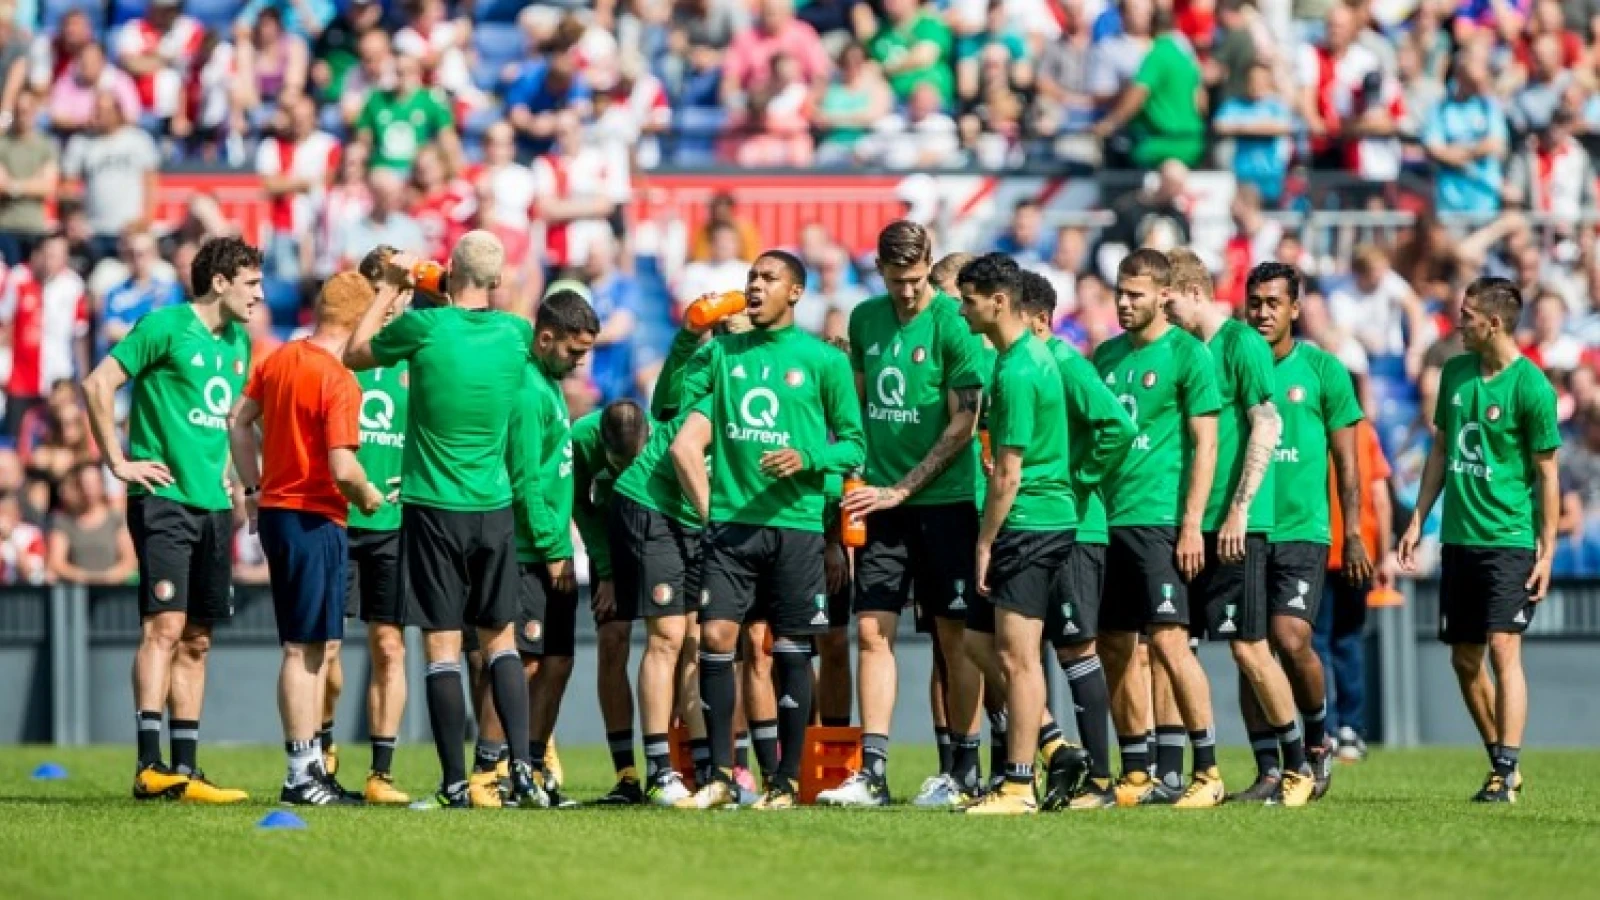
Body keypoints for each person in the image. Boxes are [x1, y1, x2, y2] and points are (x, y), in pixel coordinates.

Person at [342, 230, 545, 810]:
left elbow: (357, 352)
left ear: (450, 271)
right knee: (501, 643)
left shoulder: (424, 327)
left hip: (434, 507)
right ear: (498, 282)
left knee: (442, 649)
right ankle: (522, 772)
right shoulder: (516, 334)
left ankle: (455, 782)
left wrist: (391, 287)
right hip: (495, 508)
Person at [668, 250, 865, 810]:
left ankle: (785, 780)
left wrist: (806, 456)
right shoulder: (725, 351)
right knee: (715, 640)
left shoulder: (821, 361)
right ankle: (718, 775)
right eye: (750, 277)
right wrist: (686, 339)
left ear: (796, 292)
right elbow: (669, 408)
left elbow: (855, 446)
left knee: (792, 650)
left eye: (767, 278)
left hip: (796, 526)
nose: (753, 286)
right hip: (732, 526)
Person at [80, 236, 261, 804]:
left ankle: (185, 769)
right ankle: (148, 764)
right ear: (220, 282)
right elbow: (98, 383)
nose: (259, 293)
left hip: (213, 507)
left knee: (199, 639)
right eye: (250, 283)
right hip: (163, 500)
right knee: (163, 626)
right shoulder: (163, 325)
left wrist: (240, 481)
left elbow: (232, 422)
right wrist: (117, 461)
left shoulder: (239, 343)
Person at [814, 222, 985, 809]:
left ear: (929, 265)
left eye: (915, 280)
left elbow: (964, 423)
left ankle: (964, 770)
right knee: (870, 630)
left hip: (944, 503)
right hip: (880, 505)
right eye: (896, 279)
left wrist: (903, 489)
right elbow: (856, 414)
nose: (908, 291)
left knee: (955, 639)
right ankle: (874, 773)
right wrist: (854, 490)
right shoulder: (864, 320)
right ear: (880, 270)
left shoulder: (954, 324)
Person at [1399, 277, 1561, 804]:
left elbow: (1548, 474)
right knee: (1464, 661)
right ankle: (1500, 763)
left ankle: (1508, 767)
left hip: (1508, 541)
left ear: (1493, 323)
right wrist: (1419, 517)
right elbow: (1442, 450)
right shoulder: (1455, 372)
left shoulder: (1531, 387)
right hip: (1459, 539)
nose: (1456, 323)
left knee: (1502, 650)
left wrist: (1548, 550)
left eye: (1466, 316)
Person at [227, 271, 385, 806]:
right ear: (359, 318)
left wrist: (252, 488)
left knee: (315, 646)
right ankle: (300, 774)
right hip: (314, 516)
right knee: (304, 649)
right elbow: (343, 466)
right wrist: (368, 494)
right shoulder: (339, 379)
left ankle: (312, 767)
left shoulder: (281, 358)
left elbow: (237, 420)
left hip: (277, 512)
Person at [1160, 248, 1306, 807]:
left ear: (1192, 291)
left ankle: (1296, 767)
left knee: (1249, 649)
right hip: (1189, 525)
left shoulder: (1241, 343)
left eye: (1166, 297)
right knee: (1174, 643)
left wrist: (1240, 510)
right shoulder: (1184, 350)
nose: (1161, 309)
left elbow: (1266, 425)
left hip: (1237, 525)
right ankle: (1191, 773)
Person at [1090, 248, 1219, 808]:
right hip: (1106, 519)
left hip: (1160, 519)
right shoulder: (1104, 356)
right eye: (1119, 292)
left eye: (1135, 294)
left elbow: (1206, 444)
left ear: (1163, 295)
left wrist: (1191, 525)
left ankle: (1207, 771)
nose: (1123, 303)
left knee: (1169, 642)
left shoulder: (1189, 355)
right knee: (1114, 646)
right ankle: (1138, 770)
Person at [948, 253, 1073, 816]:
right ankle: (1054, 747)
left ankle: (1020, 785)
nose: (961, 307)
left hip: (1028, 524)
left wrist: (984, 541)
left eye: (968, 298)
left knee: (1020, 660)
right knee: (980, 643)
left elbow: (1008, 471)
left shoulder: (1021, 369)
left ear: (998, 301)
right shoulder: (1012, 358)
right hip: (1026, 520)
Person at [1242, 261, 1370, 803]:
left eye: (1274, 302)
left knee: (1291, 638)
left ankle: (1317, 741)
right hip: (1246, 526)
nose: (1263, 312)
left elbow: (1348, 462)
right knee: (1250, 648)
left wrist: (1356, 532)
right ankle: (1269, 768)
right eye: (1256, 301)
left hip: (1302, 528)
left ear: (1296, 308)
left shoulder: (1323, 370)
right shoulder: (1233, 363)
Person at [1014, 269, 1136, 810]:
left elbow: (1118, 427)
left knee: (1075, 648)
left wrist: (1080, 477)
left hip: (1077, 527)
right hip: (1038, 524)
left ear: (1037, 318)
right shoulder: (1024, 365)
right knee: (1010, 648)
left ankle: (1101, 783)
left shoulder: (1065, 363)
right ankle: (1048, 757)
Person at [505, 288, 601, 808]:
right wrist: (550, 546)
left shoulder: (549, 384)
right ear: (546, 338)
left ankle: (534, 762)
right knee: (524, 663)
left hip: (556, 547)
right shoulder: (527, 392)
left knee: (558, 662)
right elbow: (524, 483)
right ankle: (506, 767)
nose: (580, 362)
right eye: (573, 351)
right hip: (528, 552)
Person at [325, 246, 412, 805]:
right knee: (325, 649)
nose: (399, 297)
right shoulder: (336, 354)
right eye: (388, 286)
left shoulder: (419, 352)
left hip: (394, 520)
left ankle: (381, 771)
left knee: (390, 647)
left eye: (404, 289)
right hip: (334, 514)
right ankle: (322, 753)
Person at [574, 400, 651, 805]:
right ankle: (625, 774)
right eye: (616, 463)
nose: (623, 471)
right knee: (612, 643)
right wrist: (604, 570)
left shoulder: (660, 435)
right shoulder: (580, 440)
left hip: (659, 542)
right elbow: (579, 505)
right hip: (611, 545)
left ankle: (670, 765)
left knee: (671, 645)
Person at [1317, 416, 1393, 762]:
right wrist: (1383, 556)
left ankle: (1326, 728)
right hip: (1359, 550)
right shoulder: (1365, 432)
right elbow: (1380, 496)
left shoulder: (1314, 424)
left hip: (1318, 547)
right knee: (1348, 640)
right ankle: (1352, 729)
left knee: (1318, 643)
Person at [47, 463, 135, 585]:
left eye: (93, 483)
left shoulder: (116, 519)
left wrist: (108, 577)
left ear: (102, 484)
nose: (88, 489)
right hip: (76, 593)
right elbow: (56, 563)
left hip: (112, 592)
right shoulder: (64, 522)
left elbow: (129, 561)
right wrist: (84, 577)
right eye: (84, 484)